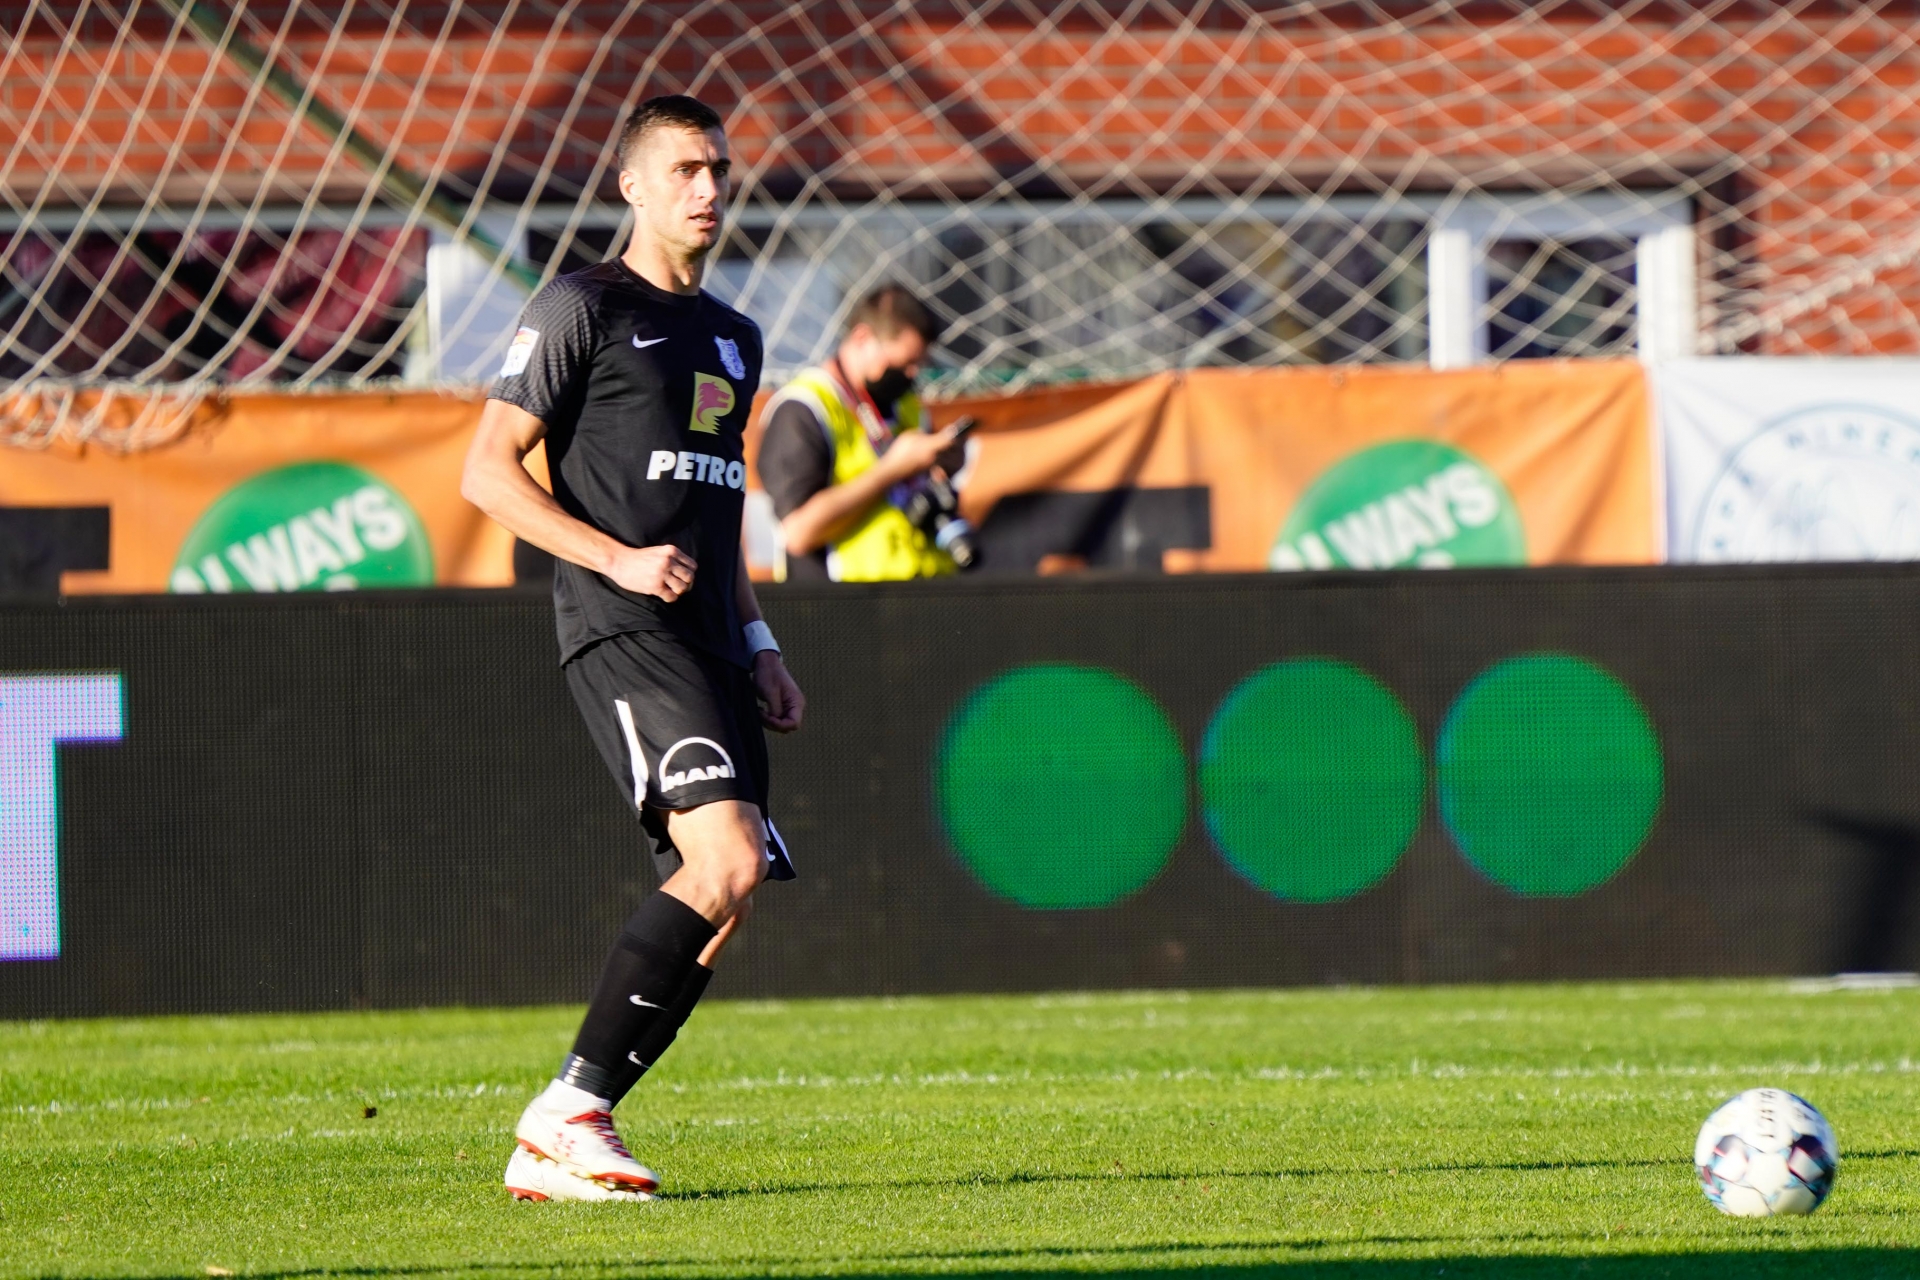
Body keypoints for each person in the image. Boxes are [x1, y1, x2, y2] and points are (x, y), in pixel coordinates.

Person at [459, 94, 804, 1203]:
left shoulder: (737, 338)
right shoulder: (583, 306)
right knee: (728, 860)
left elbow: (717, 503)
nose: (708, 189)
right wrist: (613, 558)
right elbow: (487, 472)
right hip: (623, 626)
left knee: (722, 895)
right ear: (632, 186)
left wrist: (760, 638)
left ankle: (567, 1131)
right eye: (686, 169)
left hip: (712, 639)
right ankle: (567, 1108)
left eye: (719, 169)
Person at [757, 283, 967, 581]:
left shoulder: (907, 405)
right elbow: (799, 532)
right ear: (862, 338)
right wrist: (892, 470)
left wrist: (941, 467)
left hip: (919, 587)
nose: (912, 374)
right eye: (904, 363)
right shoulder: (804, 408)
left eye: (919, 364)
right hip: (843, 601)